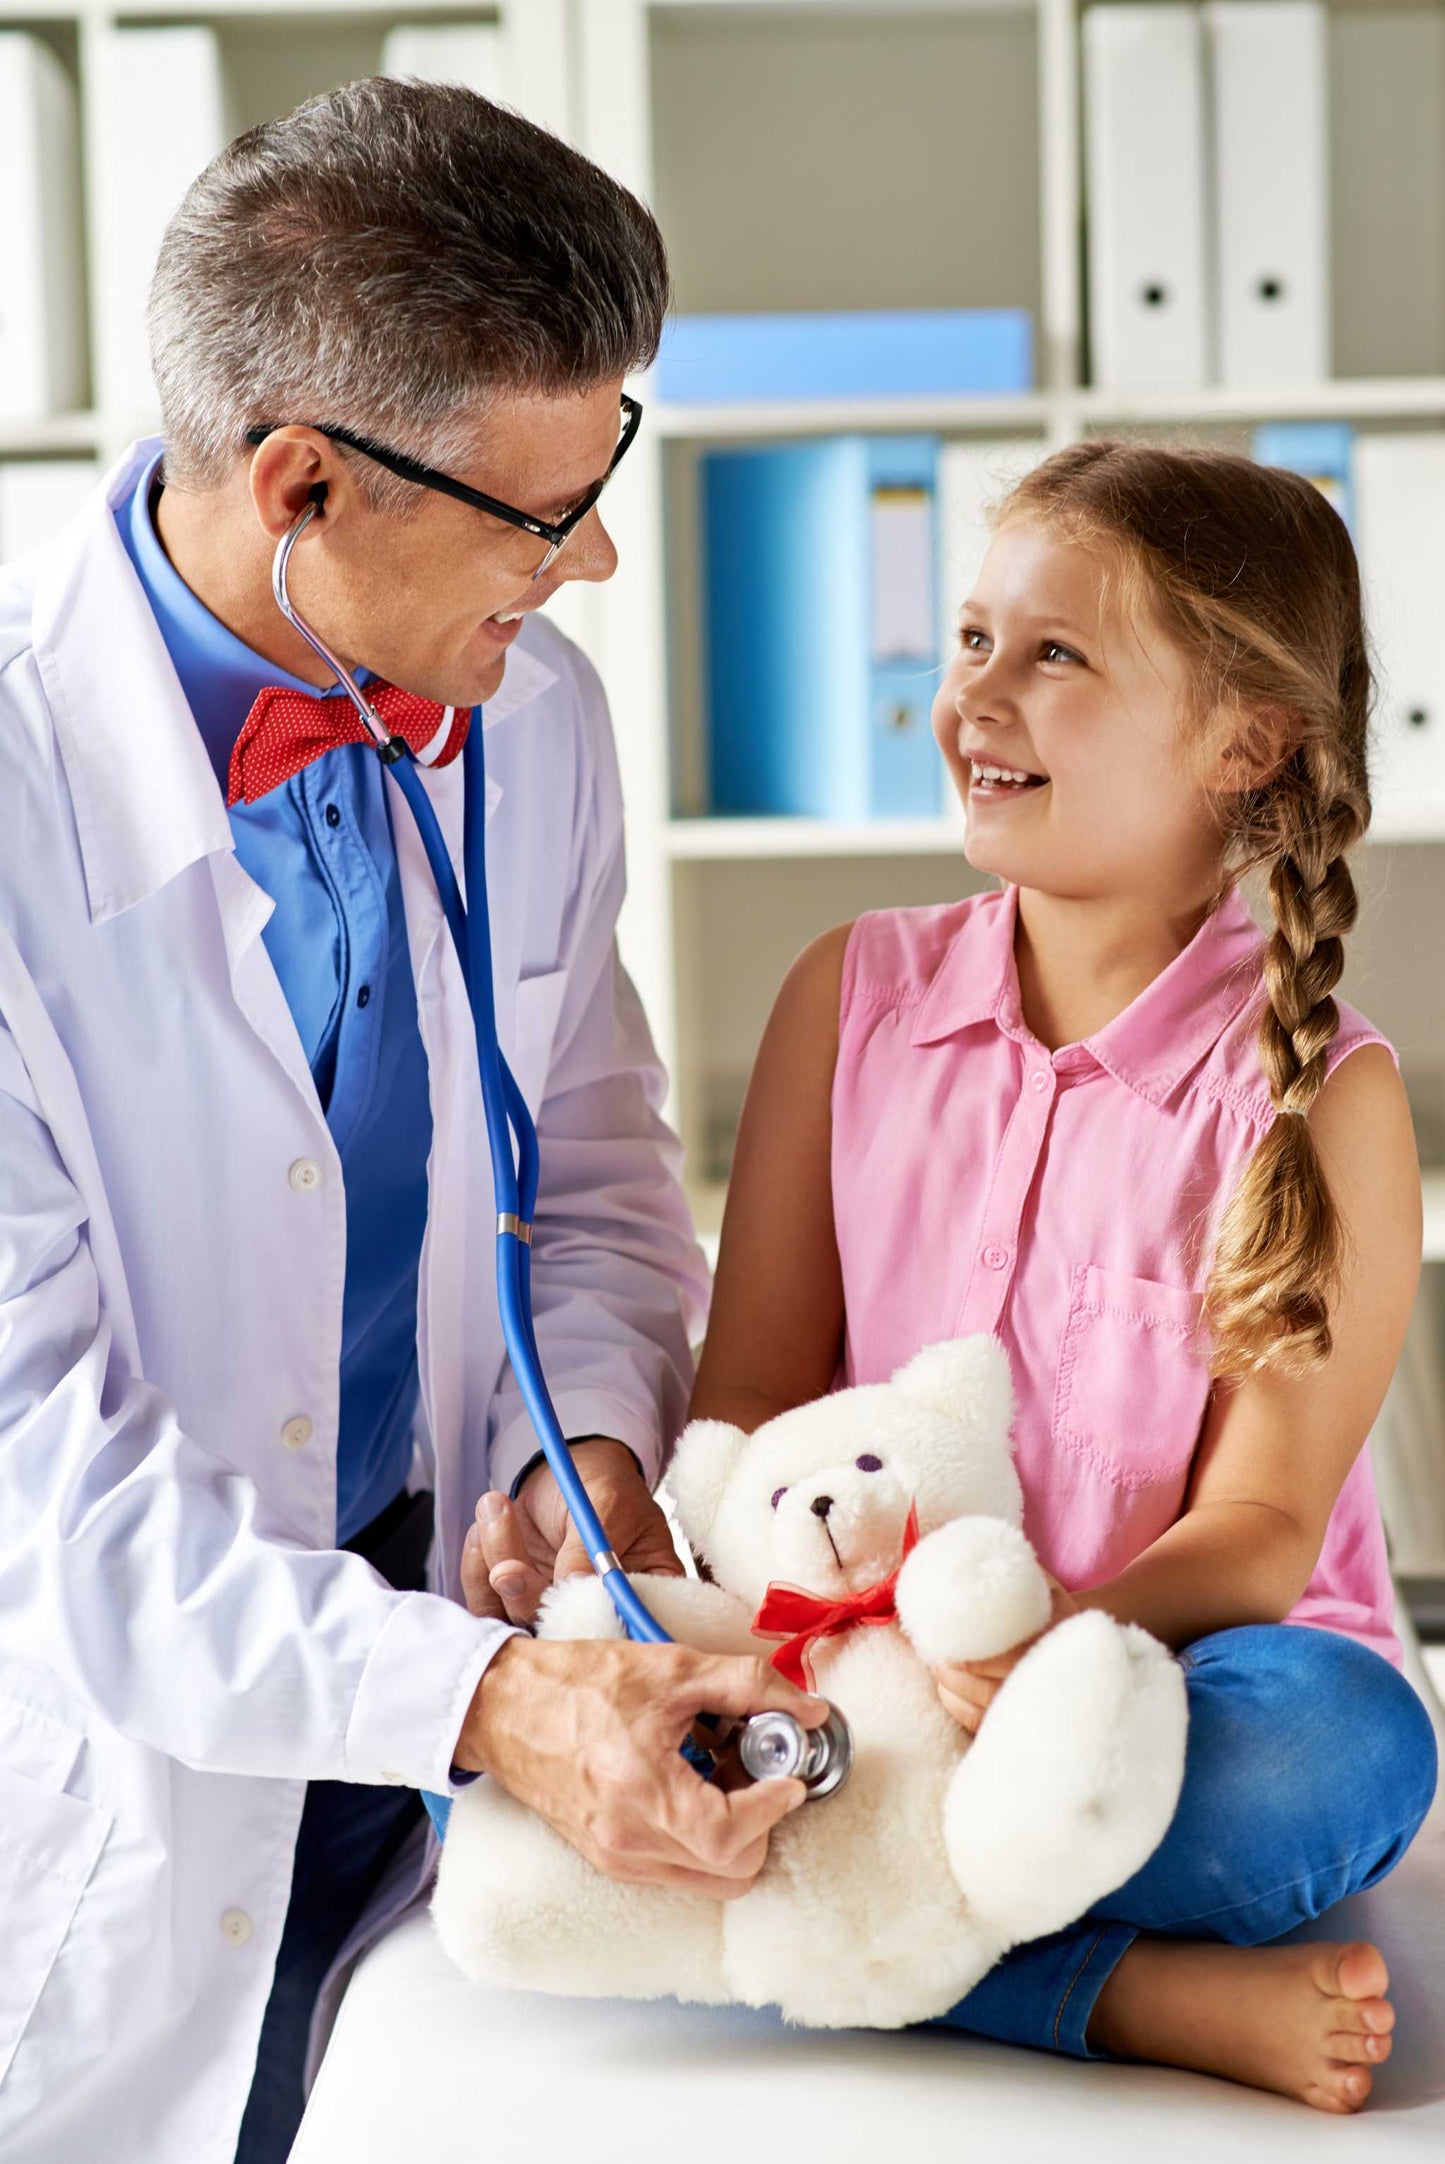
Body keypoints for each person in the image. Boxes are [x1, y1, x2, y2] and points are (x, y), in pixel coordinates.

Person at [0, 79, 822, 2164]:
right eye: (543, 512)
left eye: (602, 469)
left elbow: (601, 1152)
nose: (599, 556)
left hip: (452, 1697)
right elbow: (30, 1482)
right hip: (118, 1754)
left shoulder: (525, 707)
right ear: (300, 486)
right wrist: (475, 1700)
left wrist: (600, 1436)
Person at [685, 439, 1439, 2113]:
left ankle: (857, 1927)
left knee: (1343, 1752)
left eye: (1055, 655)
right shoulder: (848, 997)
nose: (977, 697)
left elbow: (1255, 1534)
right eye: (970, 641)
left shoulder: (1322, 1098)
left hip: (1154, 1679)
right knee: (488, 1751)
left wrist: (1042, 1660)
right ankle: (1111, 1991)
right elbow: (743, 1399)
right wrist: (817, 1643)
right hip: (858, 1667)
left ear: (1242, 741)